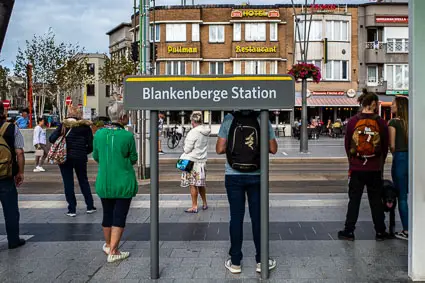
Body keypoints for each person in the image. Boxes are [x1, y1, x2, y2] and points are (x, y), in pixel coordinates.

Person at [216, 110, 278, 274]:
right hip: (257, 175)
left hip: (233, 175)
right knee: (258, 218)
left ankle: (235, 262)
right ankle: (261, 260)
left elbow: (219, 148)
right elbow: (273, 149)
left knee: (236, 217)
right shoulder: (262, 117)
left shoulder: (229, 119)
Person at [338, 92, 389, 241]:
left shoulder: (353, 121)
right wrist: (380, 162)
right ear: (374, 104)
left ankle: (349, 231)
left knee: (354, 200)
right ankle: (380, 231)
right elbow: (384, 146)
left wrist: (352, 162)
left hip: (357, 167)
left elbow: (348, 144)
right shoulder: (380, 122)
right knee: (375, 201)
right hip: (374, 168)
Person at [93, 101, 138, 263]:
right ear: (123, 116)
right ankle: (114, 250)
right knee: (119, 215)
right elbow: (133, 158)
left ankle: (107, 244)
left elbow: (96, 157)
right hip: (123, 181)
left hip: (104, 181)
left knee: (107, 214)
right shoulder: (127, 135)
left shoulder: (98, 134)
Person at [49, 106, 96, 217]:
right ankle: (90, 206)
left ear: (69, 113)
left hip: (65, 157)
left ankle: (72, 209)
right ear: (80, 115)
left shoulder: (63, 125)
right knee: (83, 181)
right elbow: (90, 146)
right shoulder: (85, 127)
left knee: (68, 182)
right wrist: (83, 152)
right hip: (80, 157)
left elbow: (51, 139)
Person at [0, 102, 26, 249]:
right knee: (10, 210)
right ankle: (13, 240)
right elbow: (19, 152)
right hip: (5, 176)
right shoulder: (11, 127)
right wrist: (20, 172)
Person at [180, 112, 211, 213]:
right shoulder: (206, 131)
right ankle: (205, 203)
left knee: (192, 184)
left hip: (192, 163)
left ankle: (194, 206)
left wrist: (184, 146)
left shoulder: (193, 132)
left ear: (193, 121)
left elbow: (187, 149)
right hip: (202, 162)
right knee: (201, 184)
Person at [389, 96, 409, 240]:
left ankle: (406, 230)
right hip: (413, 159)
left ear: (399, 107)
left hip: (400, 159)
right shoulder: (411, 123)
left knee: (402, 197)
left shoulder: (393, 123)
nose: (391, 106)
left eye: (393, 104)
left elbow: (392, 146)